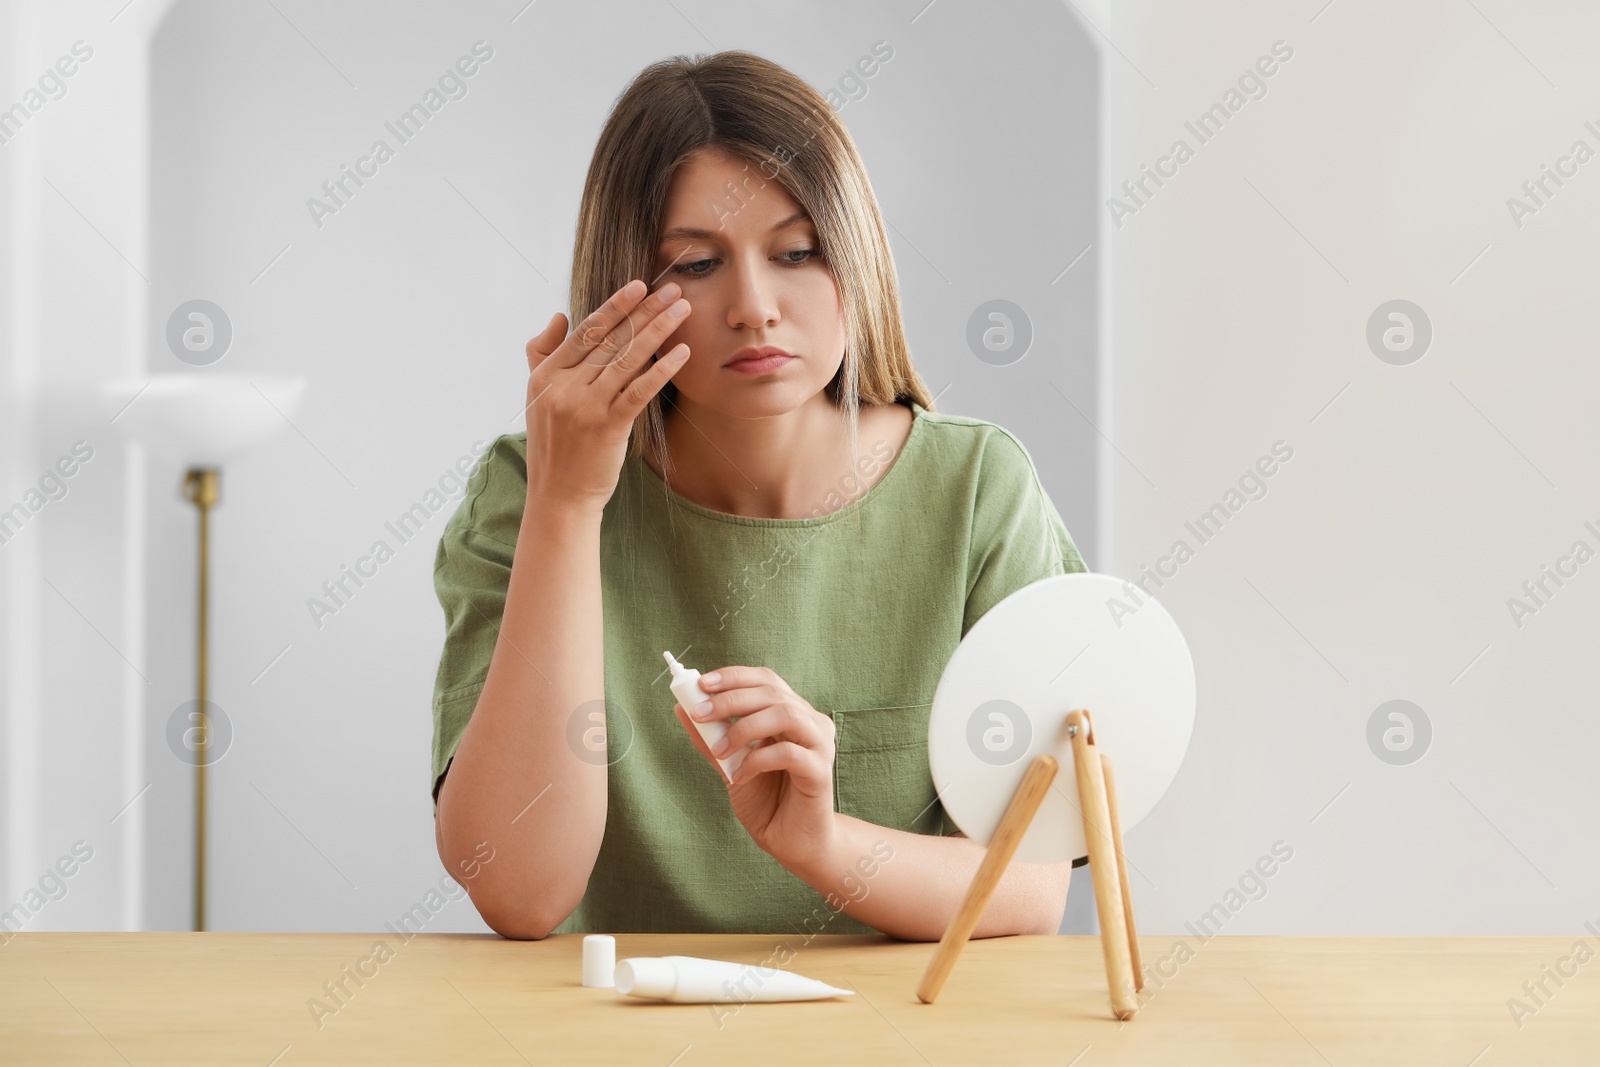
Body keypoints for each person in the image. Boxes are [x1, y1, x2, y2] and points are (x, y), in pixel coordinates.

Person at [430, 50, 1088, 941]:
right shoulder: (528, 488)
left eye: (798, 252)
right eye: (696, 266)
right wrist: (567, 503)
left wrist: (821, 843)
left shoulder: (978, 490)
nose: (754, 306)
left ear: (856, 256)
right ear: (624, 284)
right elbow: (517, 890)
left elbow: (1030, 891)